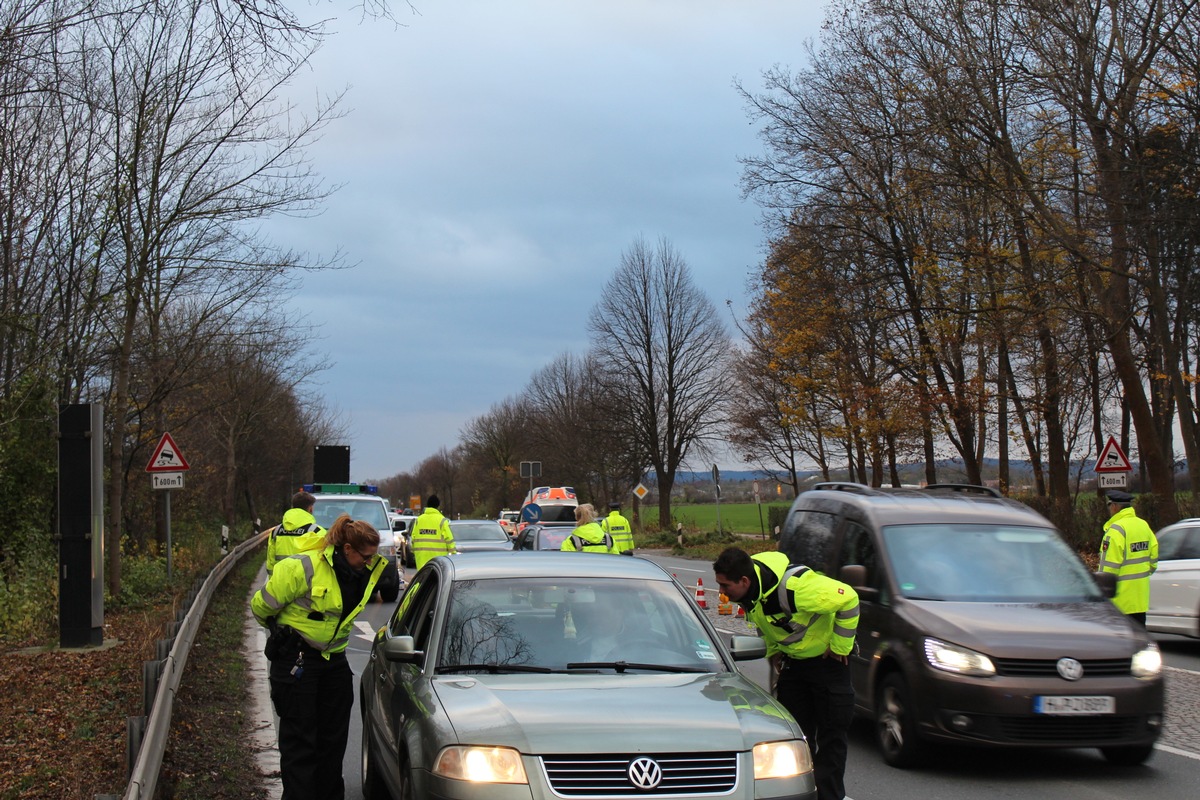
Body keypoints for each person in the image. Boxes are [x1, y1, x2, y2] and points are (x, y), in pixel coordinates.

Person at [251, 514, 386, 800]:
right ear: (347, 549)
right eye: (365, 556)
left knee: (332, 742)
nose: (369, 562)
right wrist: (284, 634)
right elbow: (261, 607)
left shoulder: (363, 572)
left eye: (373, 557)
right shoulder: (304, 568)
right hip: (296, 659)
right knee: (300, 743)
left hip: (334, 662)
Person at [713, 547, 859, 800]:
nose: (721, 593)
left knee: (831, 740)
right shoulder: (752, 591)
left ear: (744, 581)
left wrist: (839, 647)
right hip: (795, 666)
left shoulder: (795, 589)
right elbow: (764, 624)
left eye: (725, 586)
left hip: (827, 666)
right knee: (794, 740)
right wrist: (774, 652)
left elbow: (849, 598)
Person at [1099, 489, 1159, 625]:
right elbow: (1153, 560)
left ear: (1114, 506)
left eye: (1109, 505)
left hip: (1120, 602)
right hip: (1140, 599)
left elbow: (1108, 569)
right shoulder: (1143, 525)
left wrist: (1102, 592)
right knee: (1139, 640)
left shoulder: (1115, 530)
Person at [265, 490, 326, 575]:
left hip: (281, 582)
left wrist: (274, 584)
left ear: (293, 507)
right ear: (310, 508)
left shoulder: (276, 531)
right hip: (305, 583)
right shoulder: (317, 532)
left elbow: (270, 561)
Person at [411, 494, 457, 570]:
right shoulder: (442, 520)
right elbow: (449, 540)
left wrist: (414, 552)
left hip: (421, 560)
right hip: (439, 562)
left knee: (423, 581)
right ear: (438, 506)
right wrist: (453, 554)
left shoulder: (419, 520)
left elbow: (413, 539)